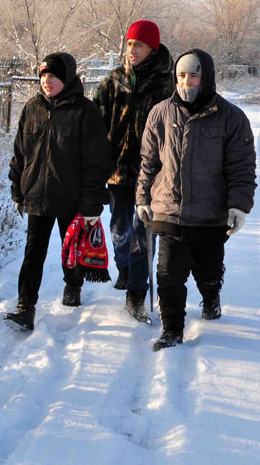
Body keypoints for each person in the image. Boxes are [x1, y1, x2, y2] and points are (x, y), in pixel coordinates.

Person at [136, 49, 256, 351]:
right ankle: (172, 331)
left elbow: (241, 167)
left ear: (207, 77)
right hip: (169, 210)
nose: (186, 82)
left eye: (193, 75)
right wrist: (142, 199)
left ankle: (211, 294)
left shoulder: (231, 118)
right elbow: (148, 162)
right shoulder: (160, 113)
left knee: (208, 270)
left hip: (210, 214)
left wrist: (239, 206)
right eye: (181, 75)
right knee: (168, 275)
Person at [4, 52, 110, 331]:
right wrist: (17, 188)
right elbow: (20, 153)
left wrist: (90, 203)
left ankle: (73, 284)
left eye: (53, 76)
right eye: (43, 75)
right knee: (33, 253)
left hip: (71, 197)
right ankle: (25, 305)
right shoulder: (32, 108)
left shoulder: (85, 111)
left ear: (67, 78)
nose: (46, 81)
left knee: (71, 249)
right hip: (37, 194)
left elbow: (96, 161)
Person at [92, 20, 173, 324]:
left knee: (143, 236)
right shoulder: (114, 80)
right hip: (116, 173)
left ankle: (136, 294)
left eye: (138, 45)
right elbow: (94, 121)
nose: (132, 50)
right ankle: (123, 267)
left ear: (152, 48)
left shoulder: (166, 85)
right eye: (128, 44)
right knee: (119, 230)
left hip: (151, 176)